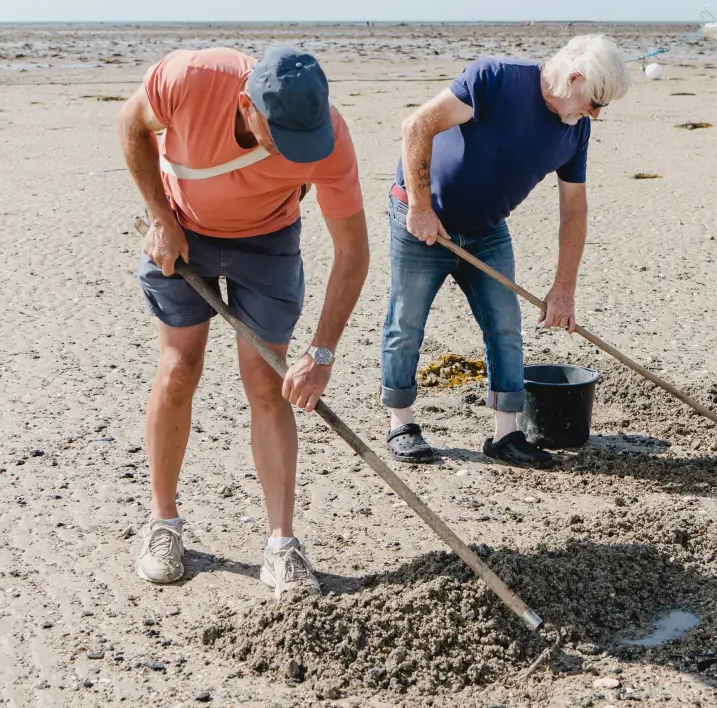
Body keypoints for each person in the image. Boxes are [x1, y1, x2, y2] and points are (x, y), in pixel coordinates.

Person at [116, 45, 369, 597]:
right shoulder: (190, 79)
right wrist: (161, 219)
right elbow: (130, 124)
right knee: (179, 369)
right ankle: (163, 525)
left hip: (269, 242)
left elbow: (353, 252)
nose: (293, 154)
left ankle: (282, 545)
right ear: (246, 104)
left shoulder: (327, 136)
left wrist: (322, 352)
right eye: (281, 139)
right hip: (182, 230)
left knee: (267, 385)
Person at [379, 35, 632, 467]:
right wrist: (420, 208)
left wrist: (563, 289)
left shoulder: (576, 133)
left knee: (505, 328)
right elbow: (416, 126)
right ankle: (401, 424)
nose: (596, 115)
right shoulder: (496, 79)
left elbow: (574, 209)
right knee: (406, 321)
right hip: (422, 223)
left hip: (486, 231)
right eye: (594, 102)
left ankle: (506, 435)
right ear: (573, 78)